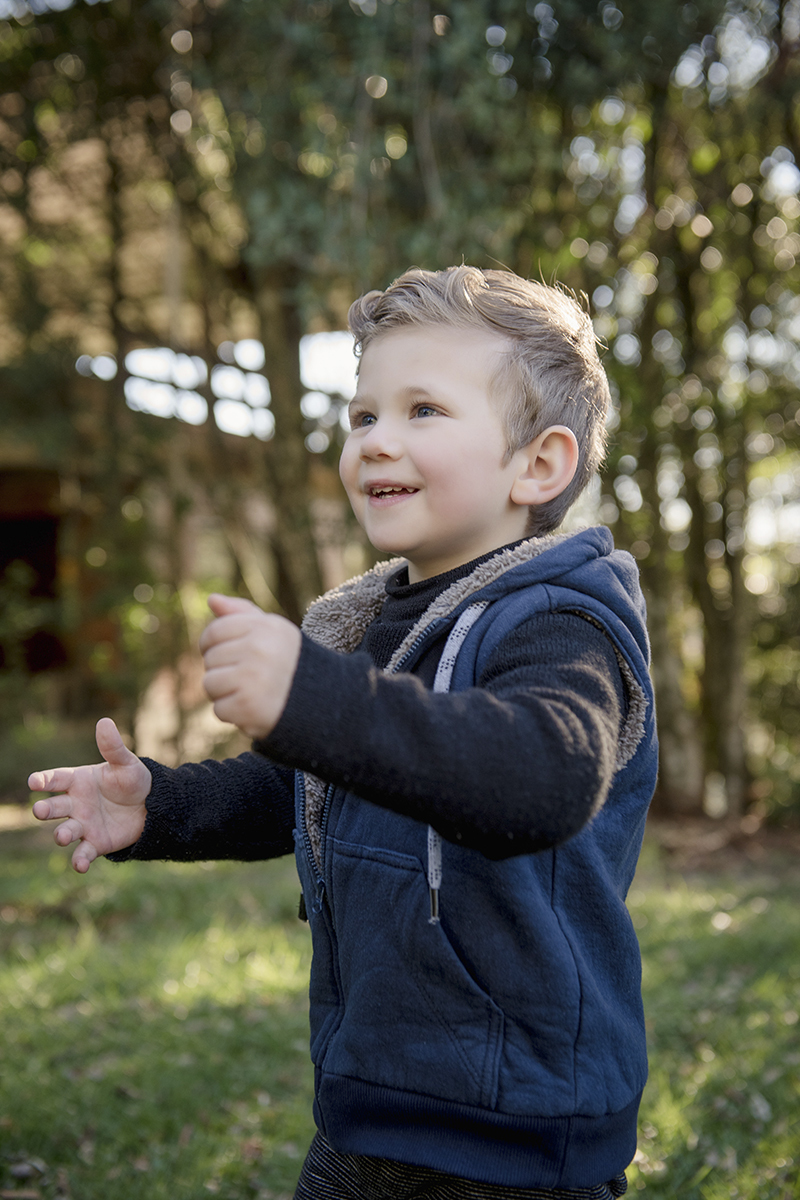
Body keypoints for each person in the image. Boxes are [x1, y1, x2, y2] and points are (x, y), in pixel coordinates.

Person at [30, 266, 657, 1200]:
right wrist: (158, 805)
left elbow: (543, 776)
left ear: (539, 465)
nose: (376, 441)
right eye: (363, 417)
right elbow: (305, 787)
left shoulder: (562, 621)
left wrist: (317, 696)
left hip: (519, 1132)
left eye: (423, 412)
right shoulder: (373, 623)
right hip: (373, 1098)